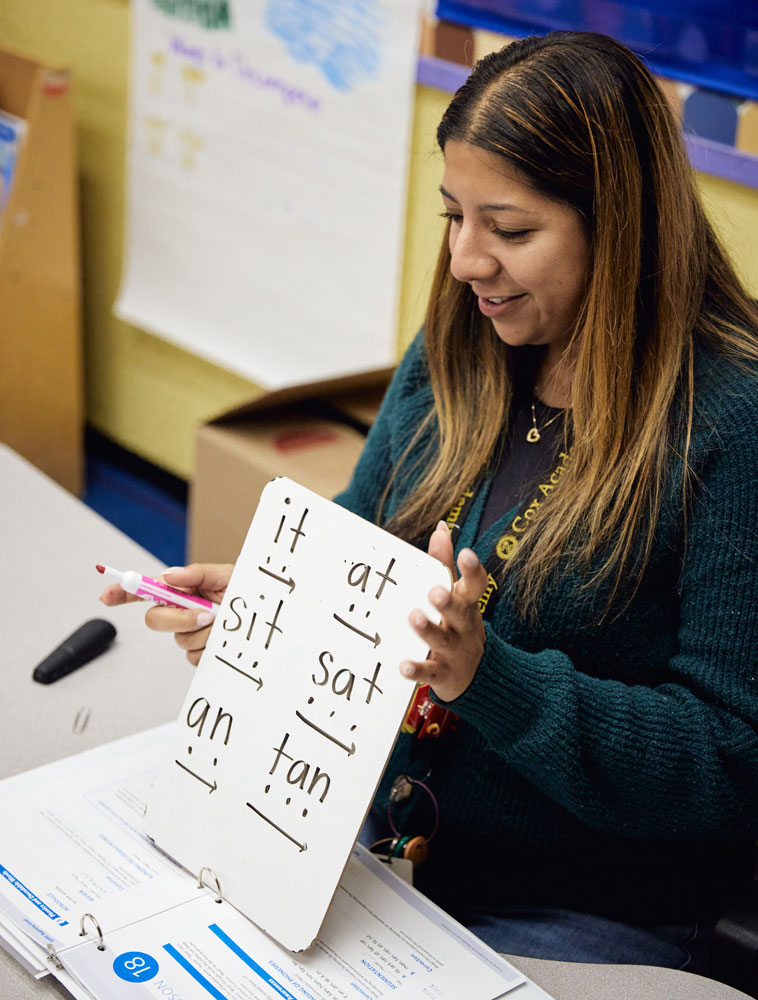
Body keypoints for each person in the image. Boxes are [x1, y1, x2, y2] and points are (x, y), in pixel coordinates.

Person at [102, 31, 758, 974]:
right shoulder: (463, 345)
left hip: (578, 898)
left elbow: (732, 759)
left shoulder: (729, 422)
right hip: (370, 839)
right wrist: (268, 608)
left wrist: (486, 676)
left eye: (511, 229)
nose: (464, 262)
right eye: (455, 216)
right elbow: (362, 537)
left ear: (622, 227)